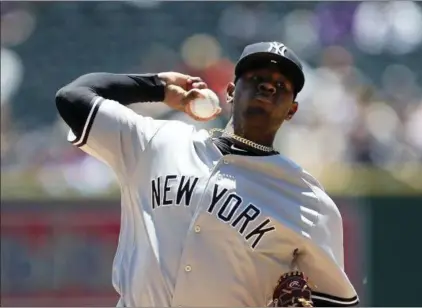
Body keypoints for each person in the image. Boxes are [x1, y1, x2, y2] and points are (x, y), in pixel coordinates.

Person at [55, 41, 359, 307]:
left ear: (292, 110)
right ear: (229, 91)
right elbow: (74, 96)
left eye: (281, 85)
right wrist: (158, 87)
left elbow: (337, 303)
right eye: (256, 78)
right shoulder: (159, 141)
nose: (268, 86)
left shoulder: (308, 202)